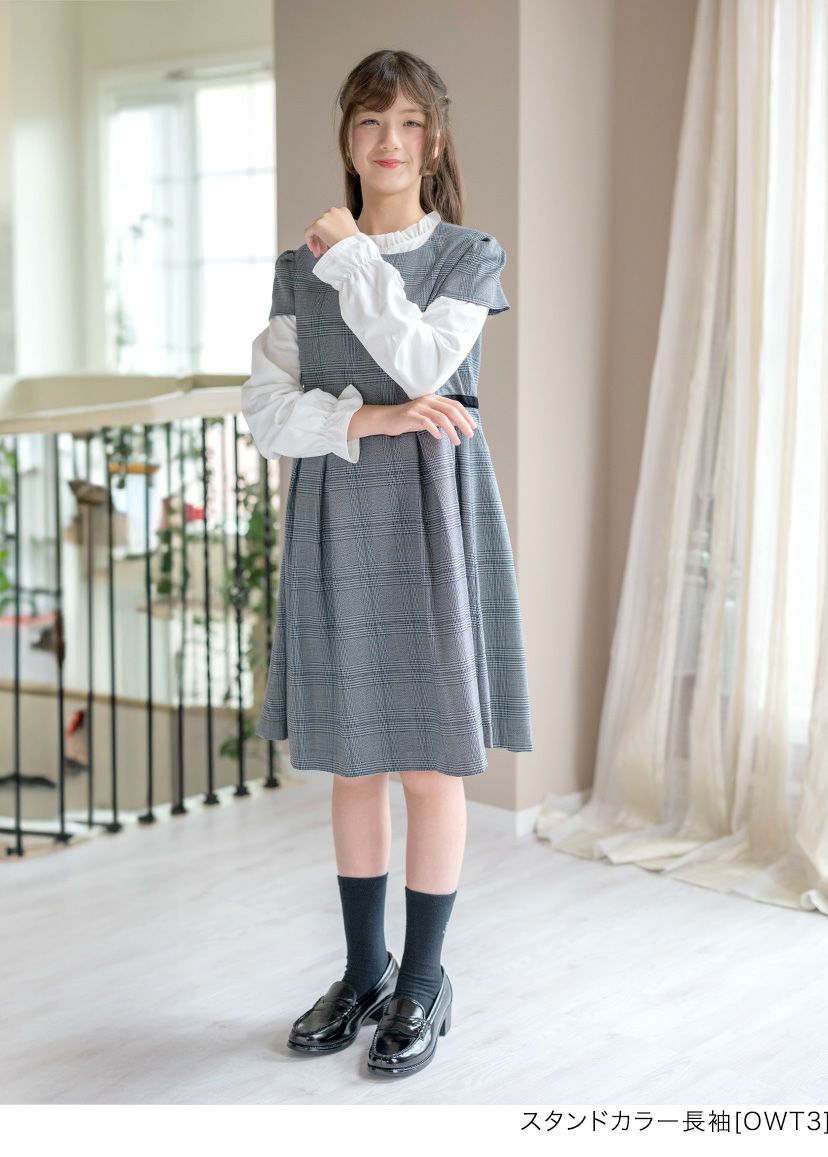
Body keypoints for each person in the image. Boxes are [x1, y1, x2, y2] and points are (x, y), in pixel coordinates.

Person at [241, 49, 532, 1079]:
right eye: (371, 122)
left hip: (433, 517)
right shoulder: (298, 270)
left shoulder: (468, 256)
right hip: (339, 512)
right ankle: (365, 970)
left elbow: (424, 362)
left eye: (410, 122)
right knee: (354, 759)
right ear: (348, 138)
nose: (390, 141)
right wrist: (367, 418)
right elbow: (265, 413)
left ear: (435, 139)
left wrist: (357, 258)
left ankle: (425, 980)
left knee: (429, 763)